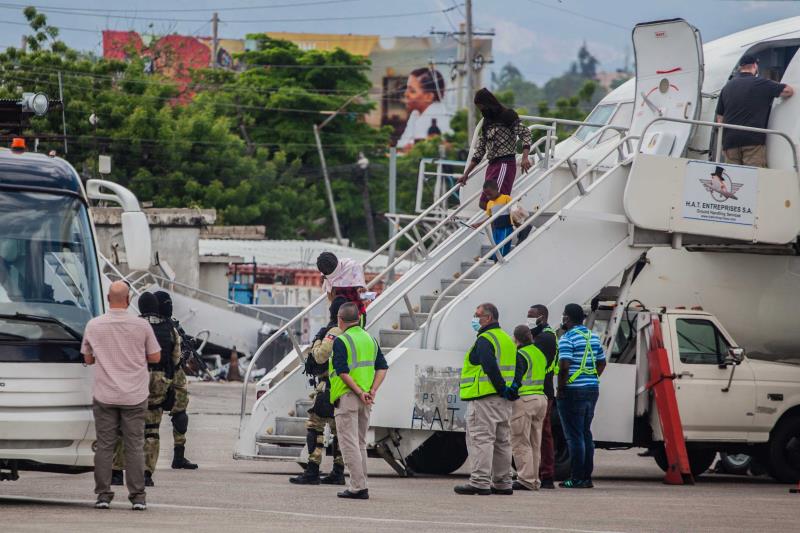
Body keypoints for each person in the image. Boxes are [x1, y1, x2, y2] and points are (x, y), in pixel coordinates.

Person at [81, 281, 161, 511]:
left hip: (105, 394)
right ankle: (137, 497)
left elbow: (87, 358)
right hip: (134, 395)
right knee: (134, 446)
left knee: (105, 446)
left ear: (108, 298)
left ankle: (103, 495)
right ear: (128, 300)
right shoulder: (141, 326)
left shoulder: (94, 325)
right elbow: (155, 356)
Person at [454, 303, 524, 496]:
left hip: (484, 398)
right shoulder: (507, 339)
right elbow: (520, 364)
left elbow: (489, 366)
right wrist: (512, 388)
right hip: (503, 401)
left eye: (478, 316)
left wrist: (501, 388)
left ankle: (480, 481)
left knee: (481, 439)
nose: (475, 319)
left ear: (489, 317)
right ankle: (503, 482)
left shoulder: (485, 339)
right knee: (502, 441)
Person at [111, 292, 179, 488]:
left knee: (123, 428)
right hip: (159, 383)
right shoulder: (170, 329)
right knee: (152, 432)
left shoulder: (131, 326)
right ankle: (146, 474)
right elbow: (175, 359)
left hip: (134, 380)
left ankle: (116, 472)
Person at [329, 302, 388, 499]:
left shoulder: (341, 340)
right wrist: (371, 391)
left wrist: (358, 391)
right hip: (366, 399)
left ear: (340, 319)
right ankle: (362, 484)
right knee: (360, 443)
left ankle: (357, 487)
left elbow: (342, 371)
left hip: (347, 397)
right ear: (358, 318)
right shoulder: (370, 339)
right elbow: (383, 367)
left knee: (349, 443)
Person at [290, 296, 347, 485]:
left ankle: (312, 470)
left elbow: (321, 357)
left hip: (329, 387)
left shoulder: (333, 331)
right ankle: (338, 472)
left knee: (315, 427)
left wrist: (315, 343)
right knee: (339, 432)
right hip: (346, 389)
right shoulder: (356, 332)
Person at [556, 303, 606, 489]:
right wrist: (590, 379)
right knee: (585, 434)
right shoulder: (593, 336)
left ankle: (576, 478)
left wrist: (561, 388)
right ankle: (586, 478)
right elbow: (602, 363)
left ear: (567, 318)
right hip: (592, 389)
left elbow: (564, 366)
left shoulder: (567, 338)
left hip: (572, 391)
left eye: (563, 316)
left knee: (574, 436)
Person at [458, 88, 533, 210]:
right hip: (492, 165)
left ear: (488, 104)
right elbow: (480, 150)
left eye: (481, 107)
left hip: (505, 163)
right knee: (484, 203)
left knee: (498, 202)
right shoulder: (487, 122)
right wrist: (466, 174)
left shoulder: (507, 115)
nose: (481, 110)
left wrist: (525, 157)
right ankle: (510, 223)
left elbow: (525, 133)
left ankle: (515, 224)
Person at [715, 53, 793, 167]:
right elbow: (788, 91)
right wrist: (772, 85)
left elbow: (720, 118)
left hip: (730, 142)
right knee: (753, 178)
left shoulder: (727, 87)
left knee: (734, 179)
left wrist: (724, 142)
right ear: (755, 66)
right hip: (752, 141)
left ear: (740, 67)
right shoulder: (762, 83)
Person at [153, 290, 198, 470]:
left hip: (158, 374)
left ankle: (178, 456)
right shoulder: (161, 327)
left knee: (179, 415)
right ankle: (172, 456)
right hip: (166, 373)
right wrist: (183, 356)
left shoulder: (170, 326)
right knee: (154, 417)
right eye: (167, 303)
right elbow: (175, 356)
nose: (169, 306)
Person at [510, 325, 548, 491]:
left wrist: (509, 393)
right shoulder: (539, 353)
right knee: (535, 442)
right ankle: (534, 480)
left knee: (520, 441)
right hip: (541, 399)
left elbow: (516, 378)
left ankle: (525, 479)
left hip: (525, 400)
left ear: (516, 339)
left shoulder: (520, 354)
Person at [527, 304, 559, 489]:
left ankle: (546, 474)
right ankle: (536, 472)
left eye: (531, 315)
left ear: (542, 317)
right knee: (535, 433)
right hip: (538, 391)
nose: (528, 318)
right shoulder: (543, 335)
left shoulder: (545, 337)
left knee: (542, 433)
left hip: (543, 391)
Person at [397, 67, 452, 149]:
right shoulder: (415, 113)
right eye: (407, 89)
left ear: (429, 97)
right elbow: (402, 144)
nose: (406, 94)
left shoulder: (440, 117)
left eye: (412, 91)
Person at [317, 252, 368, 324]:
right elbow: (331, 298)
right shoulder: (326, 274)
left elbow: (364, 294)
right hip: (339, 318)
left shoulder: (352, 267)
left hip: (356, 316)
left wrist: (364, 292)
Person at [472, 180, 513, 260]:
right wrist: (479, 224)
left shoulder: (506, 198)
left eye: (490, 194)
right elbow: (491, 217)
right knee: (496, 246)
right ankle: (494, 259)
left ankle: (498, 261)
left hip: (505, 228)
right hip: (496, 229)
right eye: (486, 195)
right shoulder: (490, 203)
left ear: (497, 189)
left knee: (502, 247)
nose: (488, 197)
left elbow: (514, 211)